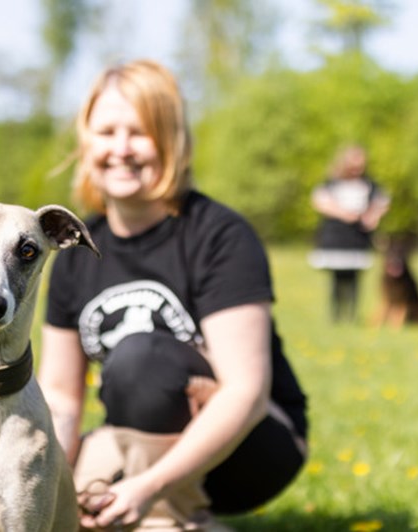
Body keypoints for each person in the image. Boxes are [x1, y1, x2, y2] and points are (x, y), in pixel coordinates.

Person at [38, 60, 309, 530]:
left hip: (254, 444)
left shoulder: (219, 235)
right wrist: (46, 493)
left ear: (172, 141)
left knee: (141, 357)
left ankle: (167, 514)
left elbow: (246, 391)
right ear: (86, 143)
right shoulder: (75, 252)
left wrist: (149, 486)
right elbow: (60, 398)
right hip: (138, 440)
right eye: (106, 132)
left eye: (139, 132)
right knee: (73, 506)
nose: (120, 149)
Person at [308, 145, 390, 324]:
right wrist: (344, 214)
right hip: (337, 236)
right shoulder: (332, 184)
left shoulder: (369, 185)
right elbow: (319, 201)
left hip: (357, 238)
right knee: (337, 278)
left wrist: (372, 216)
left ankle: (352, 316)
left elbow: (383, 201)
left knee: (354, 279)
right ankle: (335, 316)